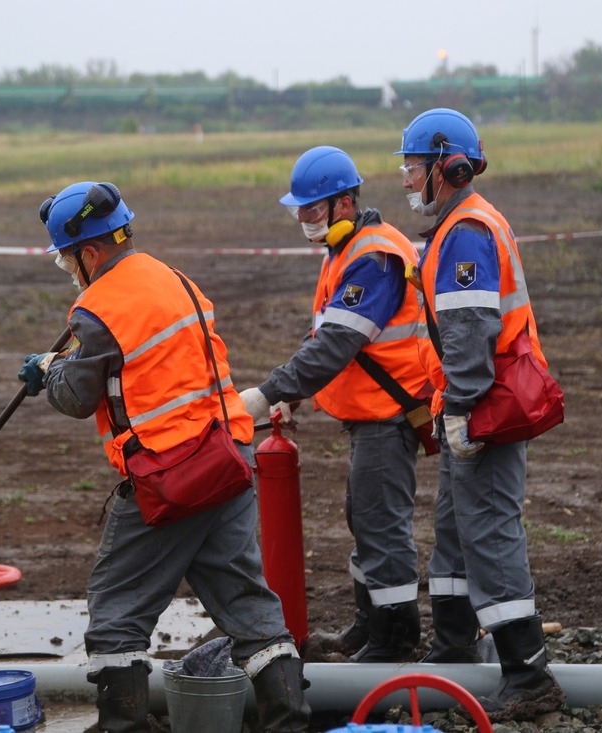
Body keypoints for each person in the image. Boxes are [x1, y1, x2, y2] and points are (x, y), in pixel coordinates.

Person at [19, 181, 311, 733]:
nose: (69, 271)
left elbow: (79, 397)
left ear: (89, 253)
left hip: (170, 477)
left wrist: (48, 373)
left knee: (116, 611)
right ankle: (290, 721)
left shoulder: (98, 307)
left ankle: (122, 725)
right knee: (248, 605)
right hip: (227, 459)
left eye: (66, 260)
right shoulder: (172, 277)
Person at [396, 108, 565, 721]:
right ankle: (453, 649)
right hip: (470, 406)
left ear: (449, 167)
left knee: (489, 535)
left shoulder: (466, 231)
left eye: (415, 168)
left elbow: (469, 333)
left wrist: (461, 410)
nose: (409, 180)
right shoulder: (459, 226)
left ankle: (528, 674)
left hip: (485, 408)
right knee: (456, 532)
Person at [238, 146, 436, 664]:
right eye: (299, 211)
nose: (303, 220)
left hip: (387, 416)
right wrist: (295, 396)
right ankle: (369, 627)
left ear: (344, 203)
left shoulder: (372, 258)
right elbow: (326, 335)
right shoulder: (346, 253)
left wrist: (268, 394)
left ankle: (394, 643)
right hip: (371, 416)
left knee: (379, 525)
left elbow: (334, 347)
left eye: (312, 209)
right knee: (363, 517)